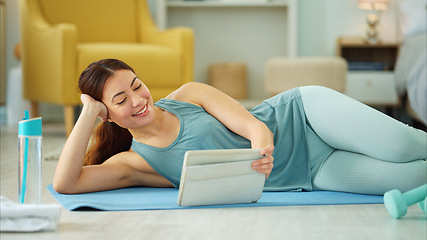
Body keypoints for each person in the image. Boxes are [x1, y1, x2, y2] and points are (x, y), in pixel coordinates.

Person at [53, 59, 427, 195]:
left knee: (403, 147)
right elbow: (67, 184)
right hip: (311, 172)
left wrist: (260, 150)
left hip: (304, 117)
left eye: (137, 86)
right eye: (120, 100)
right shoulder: (137, 164)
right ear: (107, 114)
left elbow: (254, 127)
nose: (138, 100)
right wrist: (87, 113)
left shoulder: (189, 94)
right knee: (415, 181)